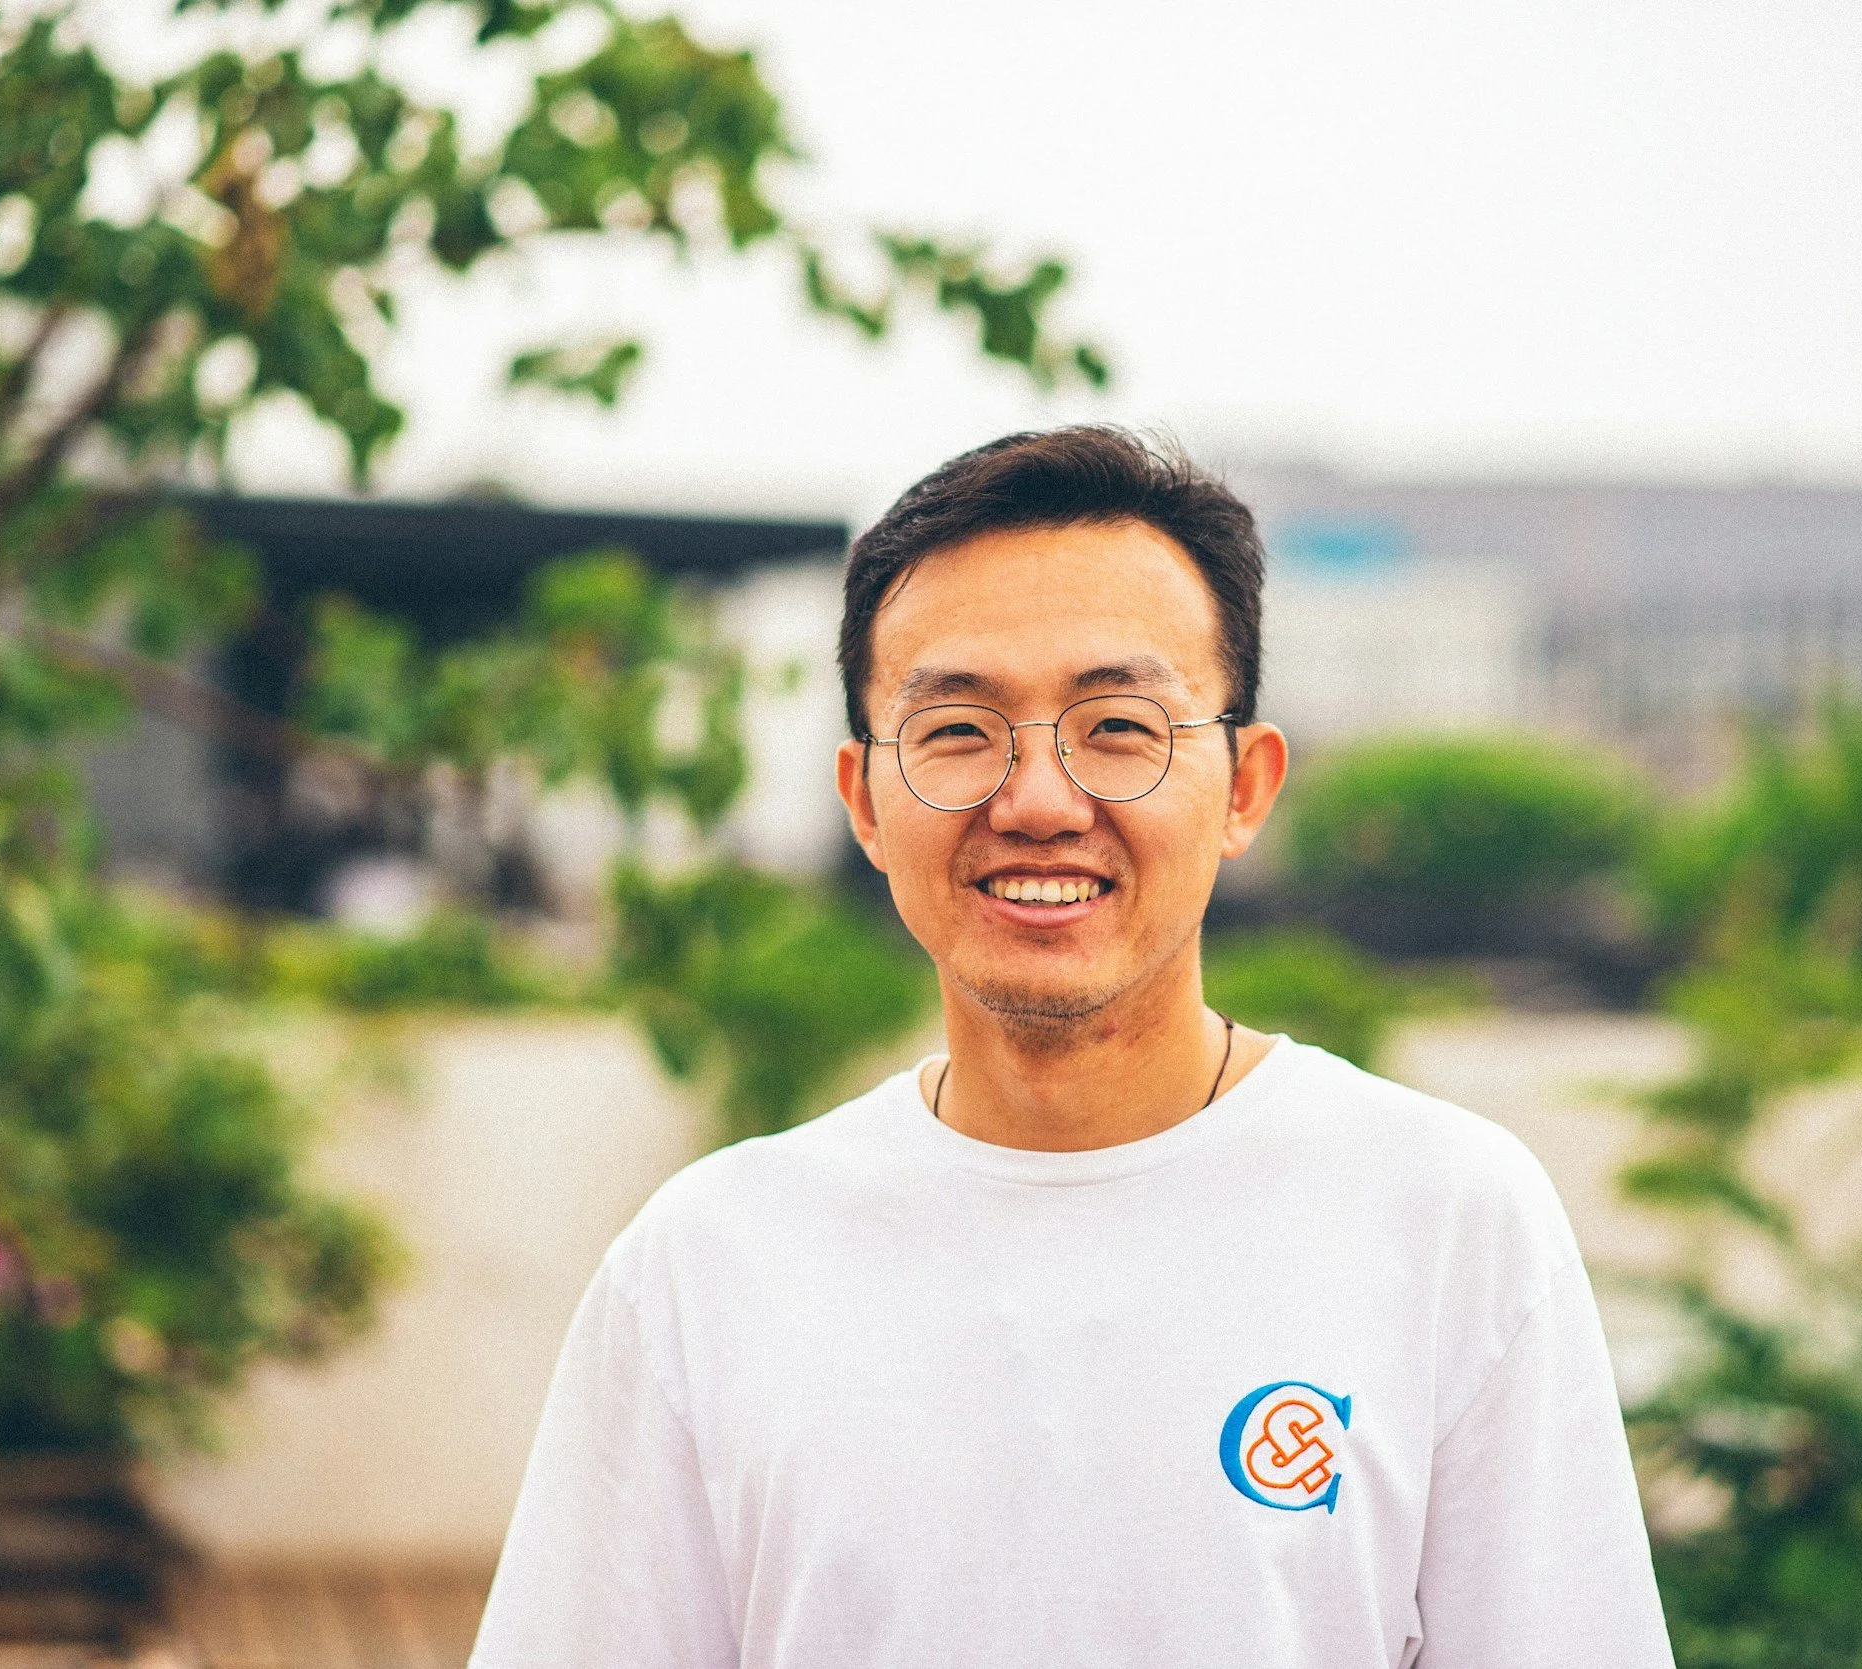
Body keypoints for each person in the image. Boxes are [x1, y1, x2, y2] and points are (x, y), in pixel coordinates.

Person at [469, 427, 1674, 1668]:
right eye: (954, 731)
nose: (1038, 803)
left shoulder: (1445, 1220)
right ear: (863, 801)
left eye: (1116, 727)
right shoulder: (706, 1266)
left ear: (1246, 785)